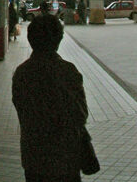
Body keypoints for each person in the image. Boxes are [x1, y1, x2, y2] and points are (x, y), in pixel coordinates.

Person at [12, 15, 92, 182]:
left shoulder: (22, 73)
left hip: (34, 155)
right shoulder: (68, 71)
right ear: (58, 39)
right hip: (65, 155)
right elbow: (80, 114)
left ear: (30, 38)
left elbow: (21, 110)